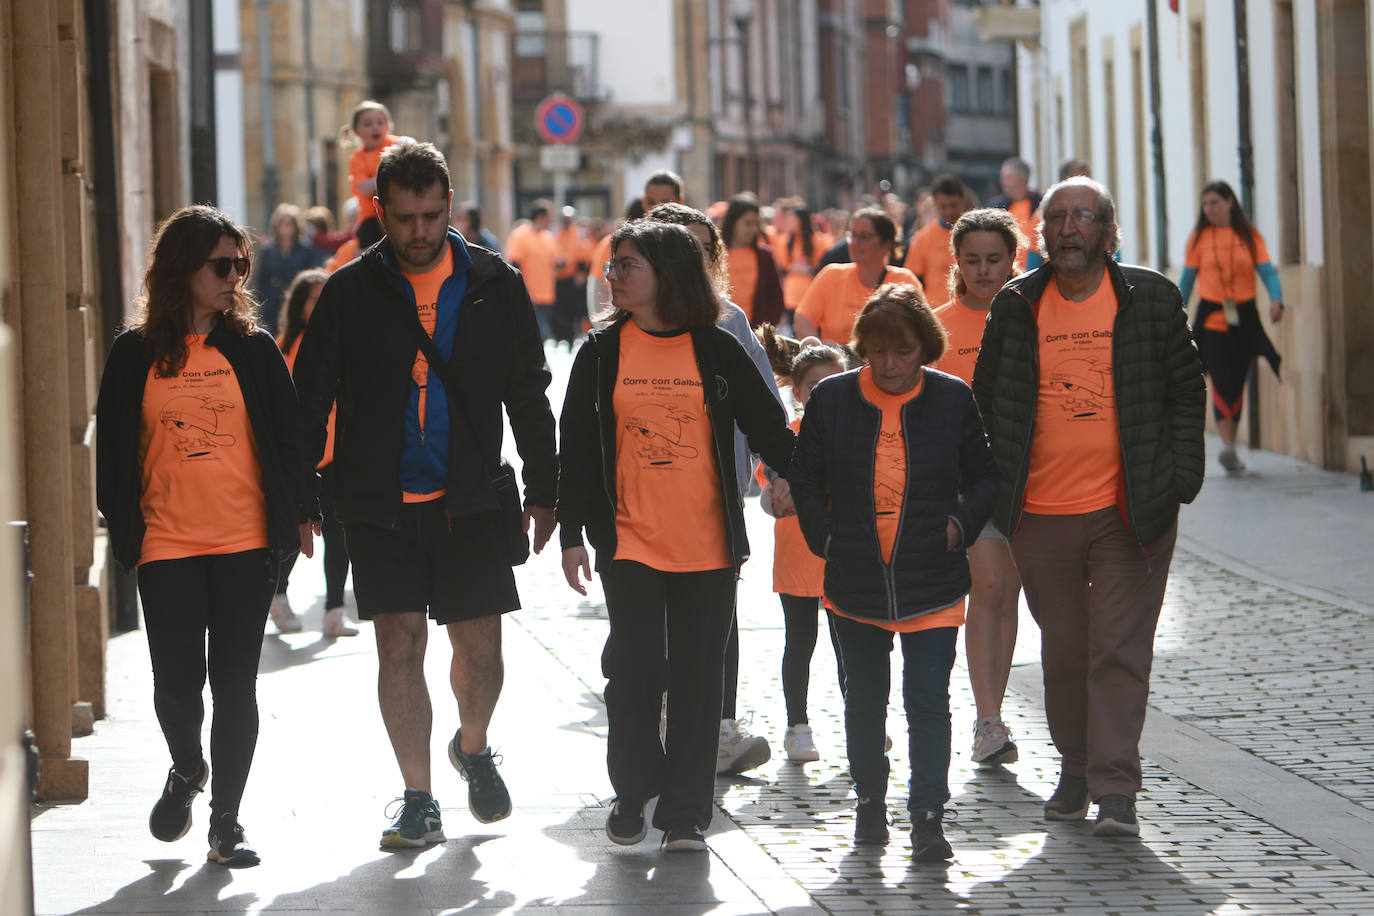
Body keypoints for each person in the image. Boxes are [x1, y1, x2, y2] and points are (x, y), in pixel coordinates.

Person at [293, 140, 558, 849]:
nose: (417, 232)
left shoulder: (493, 283)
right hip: (377, 501)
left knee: (481, 651)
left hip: (469, 495)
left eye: (430, 216)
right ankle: (418, 796)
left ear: (450, 206)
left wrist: (545, 488)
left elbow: (529, 394)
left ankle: (472, 745)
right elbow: (310, 395)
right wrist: (299, 495)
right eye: (404, 217)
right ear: (381, 210)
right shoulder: (349, 290)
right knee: (398, 646)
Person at [972, 177, 1205, 838]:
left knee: (1120, 647)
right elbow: (985, 404)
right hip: (1039, 513)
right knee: (1068, 650)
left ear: (1108, 229)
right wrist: (996, 489)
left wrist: (1179, 479)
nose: (1071, 228)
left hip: (1131, 510)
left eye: (1085, 216)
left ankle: (1114, 789)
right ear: (1043, 232)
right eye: (1059, 218)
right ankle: (1075, 769)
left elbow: (1186, 393)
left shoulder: (1151, 298)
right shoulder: (1016, 306)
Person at [557, 219, 795, 853]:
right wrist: (574, 534)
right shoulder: (601, 352)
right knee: (633, 674)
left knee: (698, 681)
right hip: (628, 543)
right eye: (612, 266)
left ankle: (687, 813)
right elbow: (575, 449)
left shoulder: (717, 351)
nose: (613, 277)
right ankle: (634, 791)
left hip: (709, 547)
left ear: (667, 274)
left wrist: (808, 477)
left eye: (627, 266)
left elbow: (771, 431)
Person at [95, 204, 316, 868]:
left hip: (245, 541)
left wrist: (302, 512)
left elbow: (289, 437)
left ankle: (227, 822)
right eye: (221, 265)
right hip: (166, 542)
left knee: (235, 684)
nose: (234, 277)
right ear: (181, 269)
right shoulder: (133, 354)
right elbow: (111, 455)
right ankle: (188, 768)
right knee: (175, 685)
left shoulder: (252, 349)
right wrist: (127, 534)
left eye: (239, 265)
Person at [790, 283, 998, 862]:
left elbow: (984, 477)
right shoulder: (832, 399)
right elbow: (804, 477)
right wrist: (827, 537)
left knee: (928, 701)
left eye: (902, 352)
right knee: (864, 701)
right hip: (855, 577)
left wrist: (959, 525)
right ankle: (870, 806)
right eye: (877, 351)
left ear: (923, 349)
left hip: (932, 574)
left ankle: (929, 816)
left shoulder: (952, 398)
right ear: (862, 349)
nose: (889, 364)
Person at [646, 202, 783, 776]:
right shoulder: (631, 325)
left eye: (704, 249)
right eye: (681, 247)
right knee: (652, 621)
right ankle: (656, 726)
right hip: (647, 501)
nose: (692, 260)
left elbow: (766, 407)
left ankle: (719, 728)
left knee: (718, 614)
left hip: (718, 498)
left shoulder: (729, 320)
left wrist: (780, 475)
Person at [932, 208, 1026, 767]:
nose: (984, 271)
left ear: (1013, 259)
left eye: (995, 260)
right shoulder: (937, 326)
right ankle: (989, 721)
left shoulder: (1031, 316)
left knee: (1007, 595)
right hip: (968, 482)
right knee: (987, 589)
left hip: (1033, 478)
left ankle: (992, 708)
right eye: (972, 261)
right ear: (957, 263)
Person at [755, 332, 848, 762]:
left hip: (845, 557)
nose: (826, 393)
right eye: (815, 386)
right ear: (798, 391)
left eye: (836, 382)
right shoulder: (784, 436)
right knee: (801, 642)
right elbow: (768, 485)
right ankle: (798, 725)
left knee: (851, 643)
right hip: (797, 557)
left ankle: (862, 720)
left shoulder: (857, 434)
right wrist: (778, 491)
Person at [273, 268, 358, 638]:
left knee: (339, 536)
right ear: (299, 306)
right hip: (303, 458)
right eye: (314, 298)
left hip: (340, 454)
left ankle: (334, 611)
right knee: (295, 533)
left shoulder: (344, 342)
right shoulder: (284, 347)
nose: (323, 305)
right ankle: (277, 596)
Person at [1179, 180, 1283, 472]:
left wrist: (1277, 300)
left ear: (1230, 202)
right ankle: (1226, 444)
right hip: (1211, 321)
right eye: (1205, 204)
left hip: (1244, 319)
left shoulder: (1248, 236)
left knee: (1237, 380)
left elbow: (1267, 273)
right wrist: (1176, 311)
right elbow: (1186, 282)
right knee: (1221, 378)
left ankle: (1230, 445)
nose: (1208, 209)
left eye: (1214, 202)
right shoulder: (1199, 238)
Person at [794, 207, 924, 344]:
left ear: (886, 244)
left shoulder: (904, 281)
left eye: (864, 236)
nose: (855, 243)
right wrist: (820, 351)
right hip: (838, 364)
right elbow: (802, 318)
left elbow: (920, 330)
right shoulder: (831, 275)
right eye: (852, 235)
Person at [587, 171, 684, 321]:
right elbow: (597, 291)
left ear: (679, 202)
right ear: (644, 202)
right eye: (651, 202)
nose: (657, 208)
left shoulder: (689, 243)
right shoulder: (614, 243)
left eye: (665, 202)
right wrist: (604, 335)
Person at [253, 203, 322, 331]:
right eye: (283, 223)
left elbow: (311, 279)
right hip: (272, 306)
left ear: (296, 226)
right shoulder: (269, 250)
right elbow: (261, 280)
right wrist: (261, 306)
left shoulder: (305, 250)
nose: (286, 228)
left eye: (289, 223)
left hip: (296, 304)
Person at [721, 194, 785, 329]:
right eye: (748, 223)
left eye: (756, 223)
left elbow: (776, 299)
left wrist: (765, 329)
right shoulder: (715, 254)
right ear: (733, 222)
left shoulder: (765, 257)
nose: (754, 229)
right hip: (721, 331)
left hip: (755, 335)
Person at [506, 200, 561, 342]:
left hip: (546, 293)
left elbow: (555, 261)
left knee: (542, 330)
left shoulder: (548, 237)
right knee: (535, 330)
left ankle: (539, 361)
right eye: (549, 217)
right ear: (541, 217)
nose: (551, 220)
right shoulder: (520, 236)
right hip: (527, 293)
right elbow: (514, 264)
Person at [903, 174, 968, 295]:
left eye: (953, 205)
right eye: (943, 206)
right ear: (934, 203)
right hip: (935, 311)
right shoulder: (922, 237)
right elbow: (912, 281)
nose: (948, 211)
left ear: (963, 200)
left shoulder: (974, 234)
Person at [776, 201, 831, 326]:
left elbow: (821, 266)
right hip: (791, 295)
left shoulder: (819, 240)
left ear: (801, 220)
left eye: (792, 218)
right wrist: (794, 268)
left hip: (810, 293)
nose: (788, 221)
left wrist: (808, 269)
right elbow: (783, 266)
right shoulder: (784, 241)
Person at [346, 100, 400, 227]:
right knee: (365, 239)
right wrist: (390, 177)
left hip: (401, 206)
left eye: (380, 122)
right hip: (371, 215)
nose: (375, 127)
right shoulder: (357, 158)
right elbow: (363, 188)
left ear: (388, 126)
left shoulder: (397, 145)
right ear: (356, 131)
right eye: (368, 124)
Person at [987, 157, 1042, 271]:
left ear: (1022, 180)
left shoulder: (1041, 205)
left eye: (1007, 178)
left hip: (1035, 273)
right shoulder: (995, 208)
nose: (1002, 182)